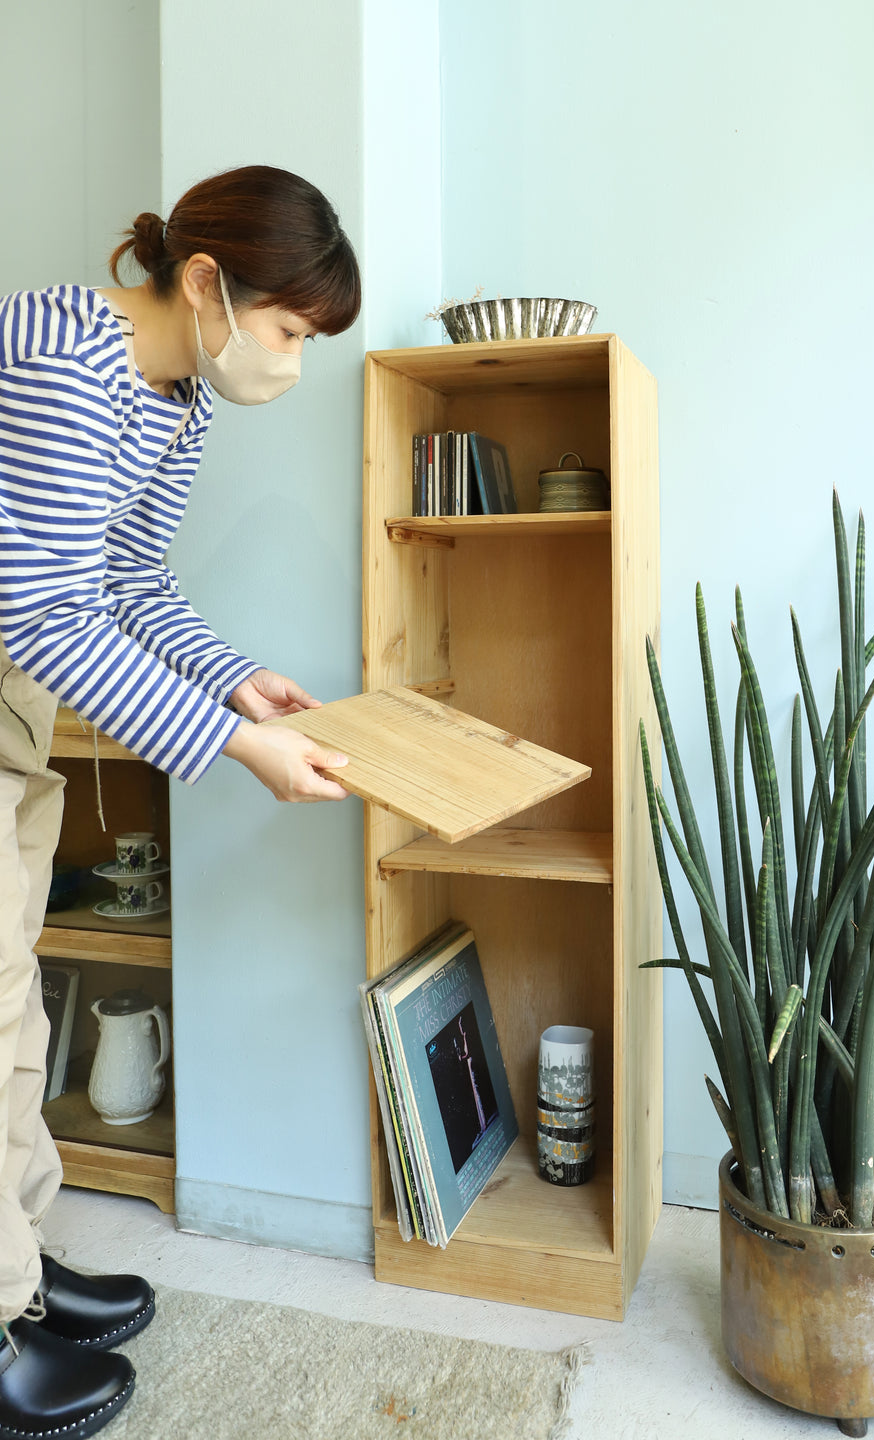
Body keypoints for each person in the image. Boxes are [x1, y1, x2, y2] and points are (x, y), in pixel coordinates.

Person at [0, 164, 361, 1438]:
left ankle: (20, 1276)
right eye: (286, 333)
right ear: (206, 283)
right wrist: (231, 749)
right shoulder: (61, 356)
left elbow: (128, 585)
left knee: (14, 1004)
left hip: (17, 711)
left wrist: (236, 681)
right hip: (10, 665)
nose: (292, 365)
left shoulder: (177, 402)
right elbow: (39, 602)